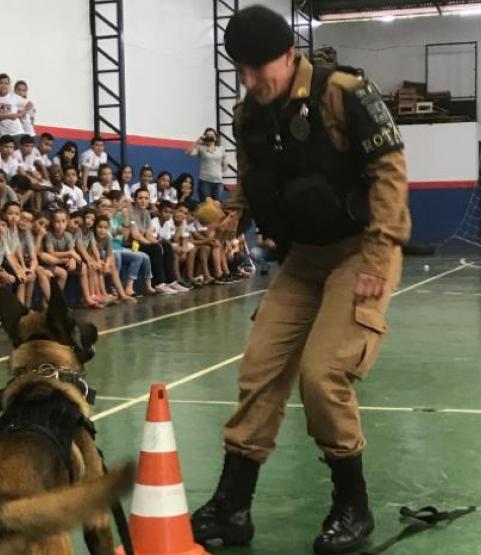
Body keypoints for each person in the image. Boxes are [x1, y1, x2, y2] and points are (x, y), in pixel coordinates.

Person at [189, 7, 411, 554]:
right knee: (258, 370)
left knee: (322, 373)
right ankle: (233, 505)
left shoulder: (344, 94)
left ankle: (352, 507)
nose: (249, 81)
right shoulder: (249, 116)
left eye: (258, 68)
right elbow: (254, 178)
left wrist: (379, 257)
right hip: (303, 258)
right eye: (241, 70)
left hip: (360, 251)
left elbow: (390, 171)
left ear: (290, 56)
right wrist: (236, 215)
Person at [185, 127, 227, 201]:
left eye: (212, 135)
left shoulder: (221, 149)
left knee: (217, 205)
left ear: (216, 137)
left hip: (218, 182)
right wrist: (198, 141)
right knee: (205, 204)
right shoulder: (201, 148)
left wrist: (220, 173)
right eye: (208, 135)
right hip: (205, 181)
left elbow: (225, 164)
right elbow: (188, 153)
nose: (210, 137)